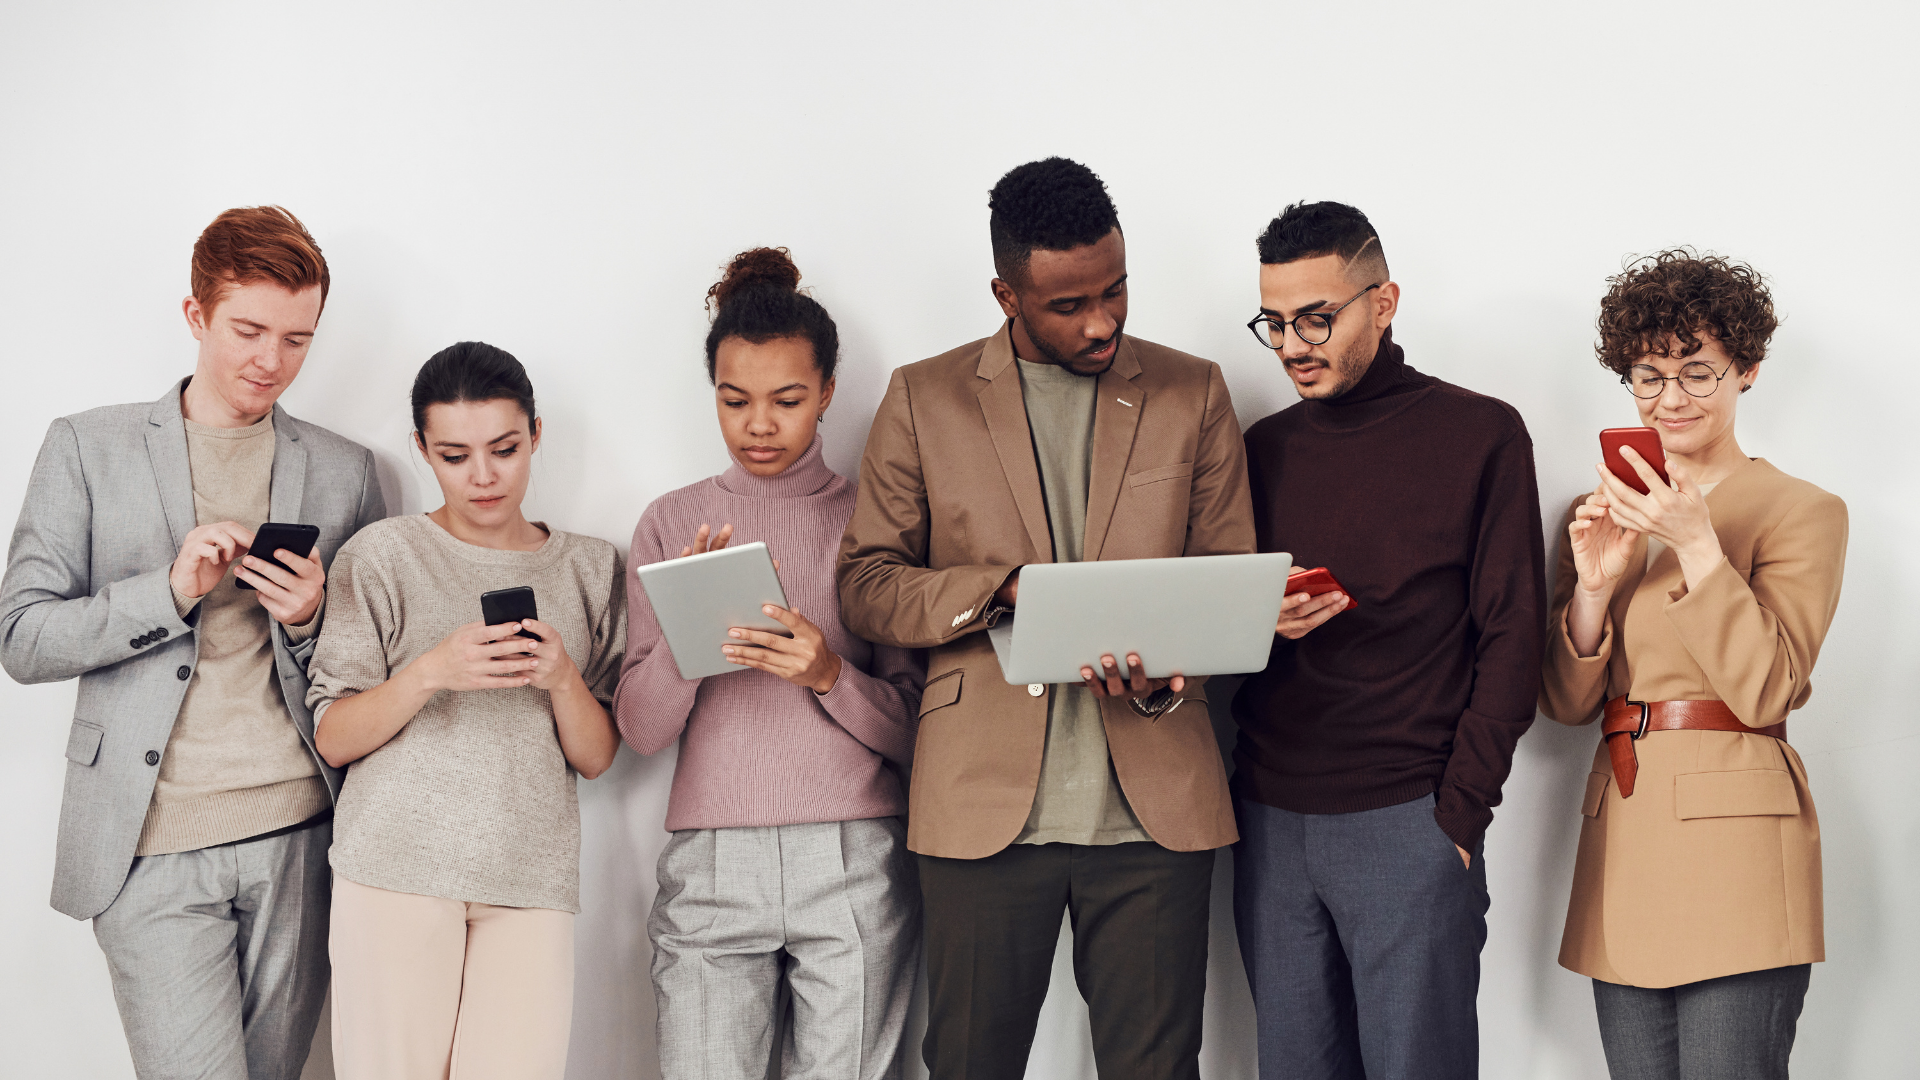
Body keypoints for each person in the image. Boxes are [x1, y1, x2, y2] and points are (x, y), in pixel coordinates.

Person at [837, 157, 1254, 1080]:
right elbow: (866, 585)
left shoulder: (1194, 390)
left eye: (1116, 291)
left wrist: (1176, 668)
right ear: (1006, 293)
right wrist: (1003, 589)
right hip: (982, 807)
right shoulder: (922, 397)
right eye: (1068, 305)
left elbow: (1229, 581)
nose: (1101, 321)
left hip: (1155, 815)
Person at [0, 206, 382, 1080]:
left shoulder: (344, 469)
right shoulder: (85, 448)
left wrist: (311, 617)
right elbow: (21, 637)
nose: (270, 361)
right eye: (248, 329)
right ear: (196, 315)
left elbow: (368, 666)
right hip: (148, 844)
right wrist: (166, 594)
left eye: (297, 339)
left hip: (300, 835)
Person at [1230, 201, 1545, 1080]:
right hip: (1270, 817)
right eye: (1276, 323)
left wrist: (1459, 811)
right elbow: (1210, 614)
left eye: (1317, 318)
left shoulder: (1480, 433)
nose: (1294, 344)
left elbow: (1514, 633)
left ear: (1385, 301)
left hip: (1410, 818)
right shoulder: (1260, 448)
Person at [616, 247, 923, 1079]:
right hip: (713, 860)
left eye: (788, 400)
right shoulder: (670, 521)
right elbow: (640, 733)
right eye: (734, 399)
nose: (760, 424)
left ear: (827, 392)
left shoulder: (874, 519)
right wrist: (694, 633)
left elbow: (918, 726)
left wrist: (827, 672)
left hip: (854, 853)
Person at [1540, 250, 1843, 1080]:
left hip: (1740, 838)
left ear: (1747, 370)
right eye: (1647, 375)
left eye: (1698, 372)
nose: (1670, 398)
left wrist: (1698, 541)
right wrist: (1595, 591)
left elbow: (1771, 687)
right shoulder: (1601, 510)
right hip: (1627, 833)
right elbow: (1566, 705)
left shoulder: (1803, 511)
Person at [306, 342, 626, 1080]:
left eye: (505, 449)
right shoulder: (382, 554)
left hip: (530, 880)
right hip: (393, 873)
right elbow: (333, 735)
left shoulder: (589, 566)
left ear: (536, 436)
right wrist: (433, 671)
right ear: (421, 450)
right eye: (454, 455)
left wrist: (561, 677)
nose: (483, 476)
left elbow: (598, 755)